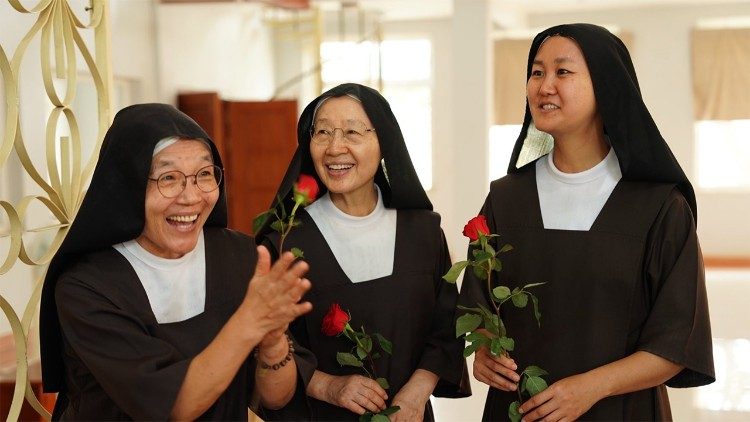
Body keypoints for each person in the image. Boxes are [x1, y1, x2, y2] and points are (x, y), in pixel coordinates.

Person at [459, 23, 714, 420]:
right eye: (537, 71)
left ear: (607, 85)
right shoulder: (506, 198)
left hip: (623, 411)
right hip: (521, 412)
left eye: (563, 72)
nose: (544, 86)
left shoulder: (659, 205)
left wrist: (592, 387)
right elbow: (479, 305)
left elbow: (677, 341)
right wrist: (487, 348)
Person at [39, 103, 314, 420]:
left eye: (204, 174)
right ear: (129, 186)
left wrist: (273, 342)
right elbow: (175, 407)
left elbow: (277, 399)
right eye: (168, 178)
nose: (191, 196)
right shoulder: (86, 287)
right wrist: (251, 322)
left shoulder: (240, 257)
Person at [256, 83, 470, 421]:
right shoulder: (284, 243)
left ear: (384, 142)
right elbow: (265, 345)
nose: (334, 147)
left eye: (352, 132)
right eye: (322, 132)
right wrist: (327, 386)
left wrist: (415, 396)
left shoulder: (423, 232)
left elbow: (446, 331)